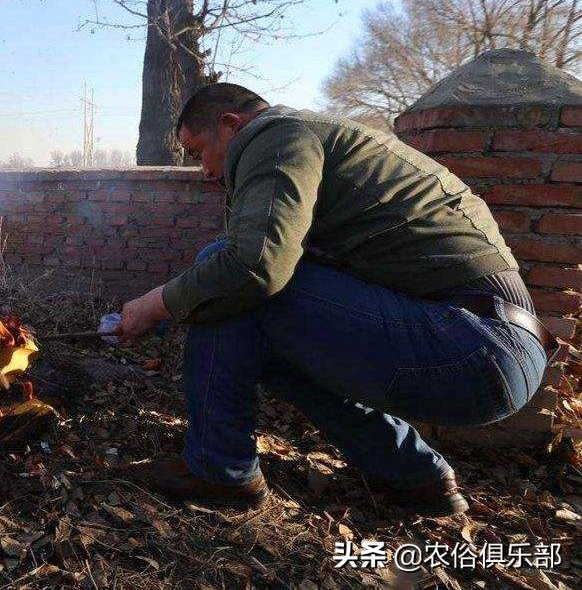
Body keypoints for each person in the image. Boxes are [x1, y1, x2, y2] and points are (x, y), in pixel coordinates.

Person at [118, 83, 553, 517]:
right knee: (268, 346)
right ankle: (414, 476)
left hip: (472, 345)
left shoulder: (276, 134)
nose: (206, 172)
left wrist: (155, 303)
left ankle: (219, 471)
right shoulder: (319, 138)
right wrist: (181, 303)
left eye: (199, 153)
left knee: (228, 281)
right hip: (491, 350)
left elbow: (254, 268)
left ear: (231, 124)